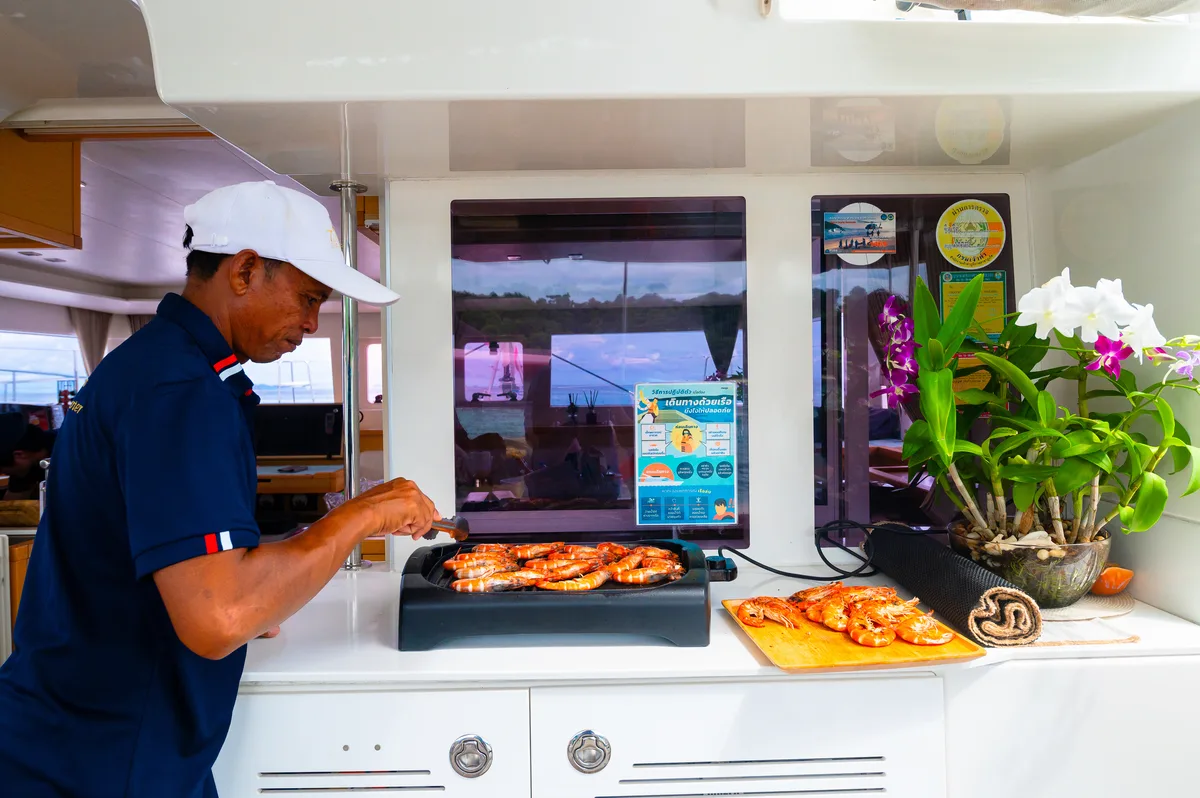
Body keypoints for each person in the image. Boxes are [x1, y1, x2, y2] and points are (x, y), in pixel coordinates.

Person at [0, 181, 440, 798]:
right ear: (245, 270)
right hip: (105, 755)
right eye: (308, 299)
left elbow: (184, 570)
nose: (310, 324)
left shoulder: (153, 364)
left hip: (88, 733)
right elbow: (219, 616)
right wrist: (361, 516)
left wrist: (255, 590)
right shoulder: (182, 392)